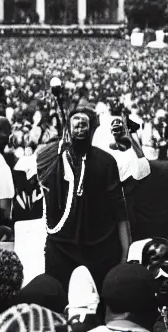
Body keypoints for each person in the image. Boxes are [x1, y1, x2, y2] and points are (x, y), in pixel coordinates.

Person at [36, 102, 131, 293]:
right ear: (67, 128)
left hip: (100, 251)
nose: (79, 128)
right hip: (61, 250)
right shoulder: (52, 158)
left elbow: (119, 211)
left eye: (84, 123)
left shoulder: (106, 162)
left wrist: (124, 253)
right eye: (75, 123)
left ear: (93, 128)